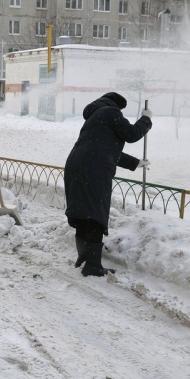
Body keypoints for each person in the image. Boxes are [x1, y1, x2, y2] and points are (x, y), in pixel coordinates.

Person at [64, 92, 152, 277]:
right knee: (95, 214)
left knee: (84, 213)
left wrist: (136, 163)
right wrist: (145, 119)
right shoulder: (110, 112)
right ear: (117, 105)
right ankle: (93, 265)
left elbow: (105, 151)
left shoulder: (94, 118)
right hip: (93, 169)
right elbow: (132, 134)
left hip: (76, 164)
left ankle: (85, 256)